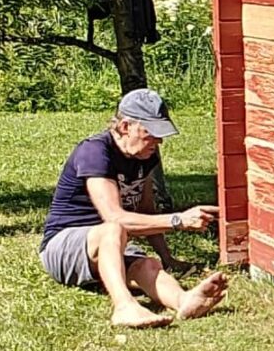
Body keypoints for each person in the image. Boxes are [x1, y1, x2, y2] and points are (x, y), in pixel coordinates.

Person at [38, 88, 228, 329]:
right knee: (113, 229)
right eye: (151, 132)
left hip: (110, 248)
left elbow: (146, 212)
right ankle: (124, 307)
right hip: (63, 248)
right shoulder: (95, 151)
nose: (158, 141)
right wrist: (178, 220)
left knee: (147, 265)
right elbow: (115, 217)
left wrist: (166, 257)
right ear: (125, 126)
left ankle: (184, 300)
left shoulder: (145, 156)